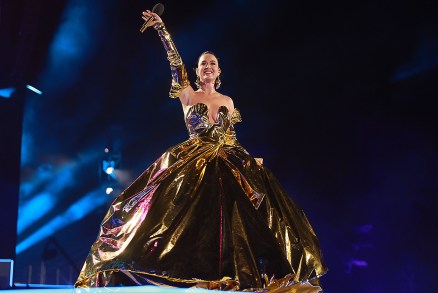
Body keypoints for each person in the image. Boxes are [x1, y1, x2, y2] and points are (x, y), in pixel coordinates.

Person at [74, 9, 328, 292]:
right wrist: (162, 30)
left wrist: (247, 159)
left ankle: (253, 275)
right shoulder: (188, 95)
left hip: (226, 159)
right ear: (197, 71)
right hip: (193, 159)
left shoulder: (228, 101)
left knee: (249, 214)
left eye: (212, 63)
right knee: (161, 214)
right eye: (203, 63)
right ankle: (159, 269)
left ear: (219, 71)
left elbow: (230, 137)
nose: (207, 67)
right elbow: (174, 63)